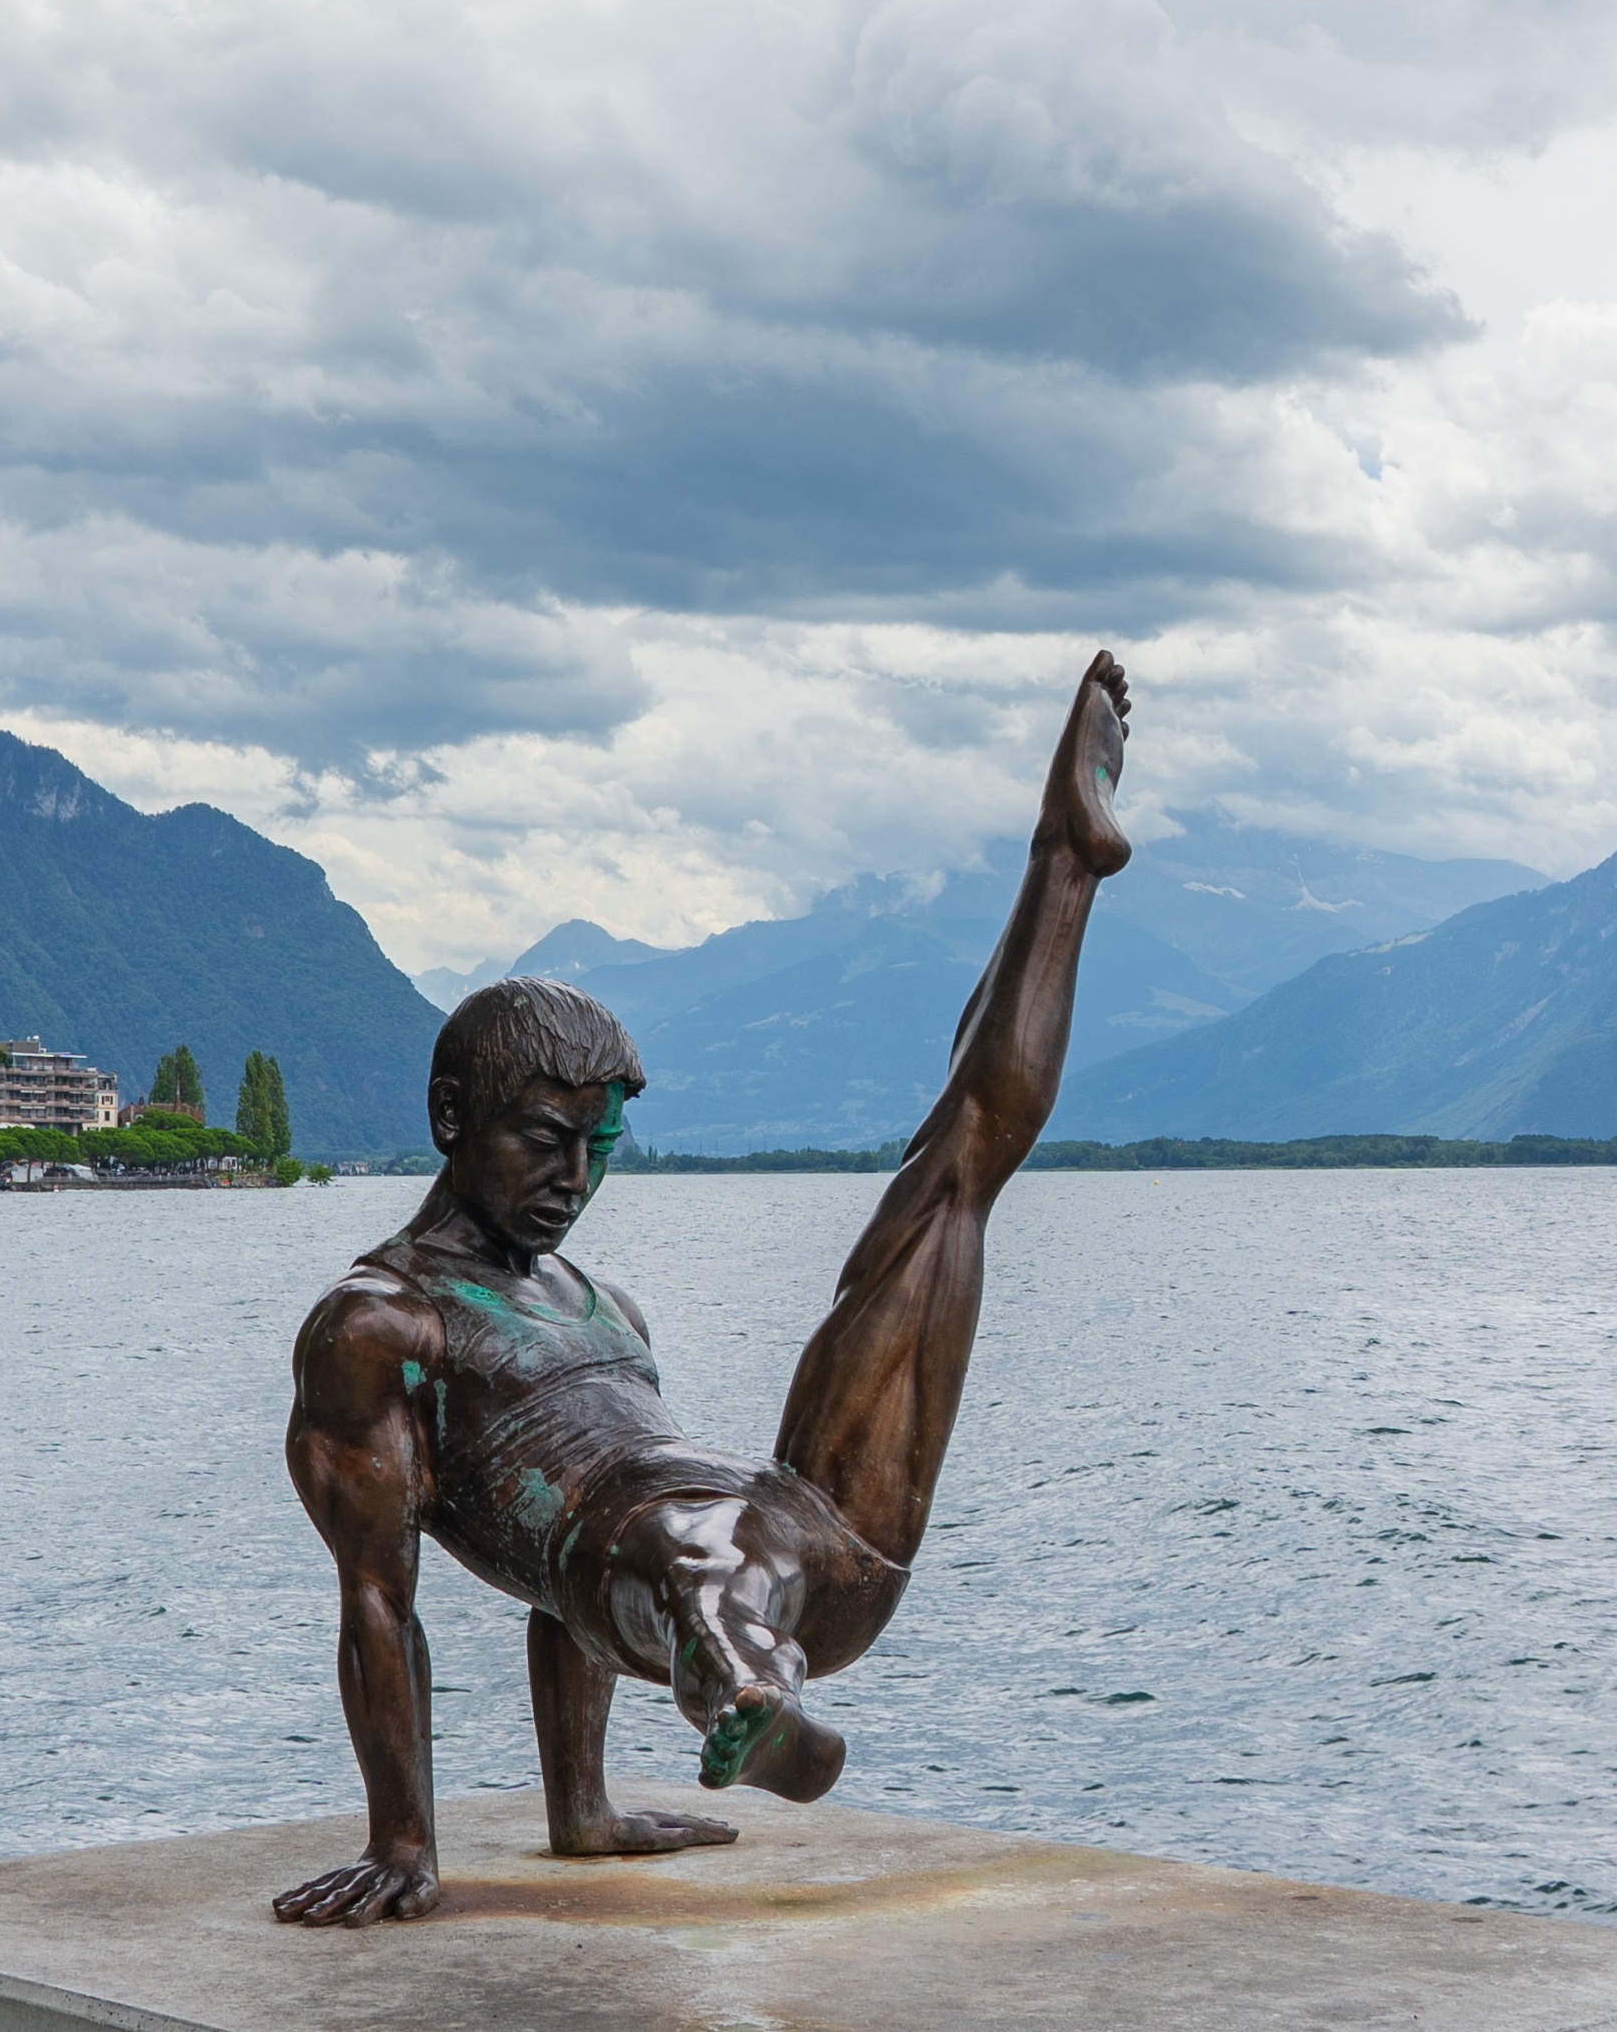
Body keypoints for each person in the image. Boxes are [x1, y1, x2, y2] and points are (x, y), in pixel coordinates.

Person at [272, 651, 1135, 1926]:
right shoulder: (379, 1325)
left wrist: (585, 1811)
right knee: (677, 1549)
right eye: (542, 1137)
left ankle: (1061, 870)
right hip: (675, 1579)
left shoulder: (599, 1301)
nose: (574, 1175)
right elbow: (379, 1597)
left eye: (597, 1146)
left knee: (953, 1177)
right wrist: (405, 1842)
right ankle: (742, 1677)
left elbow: (551, 1617)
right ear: (453, 1117)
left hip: (807, 1537)